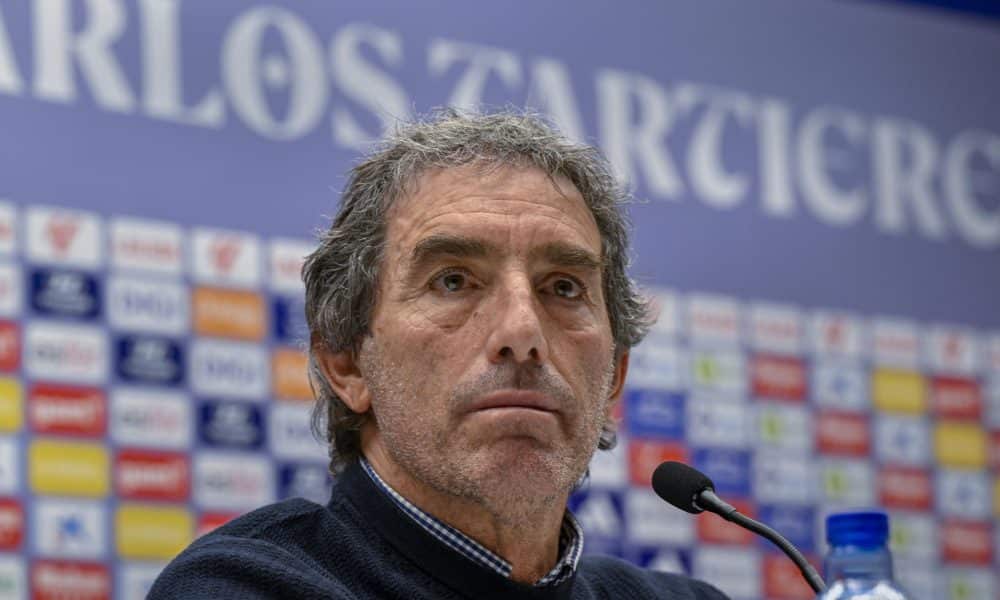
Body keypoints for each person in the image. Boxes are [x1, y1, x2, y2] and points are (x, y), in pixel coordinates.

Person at [149, 110, 729, 599]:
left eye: (563, 287)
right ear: (347, 363)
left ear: (613, 379)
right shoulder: (245, 587)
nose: (524, 331)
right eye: (453, 281)